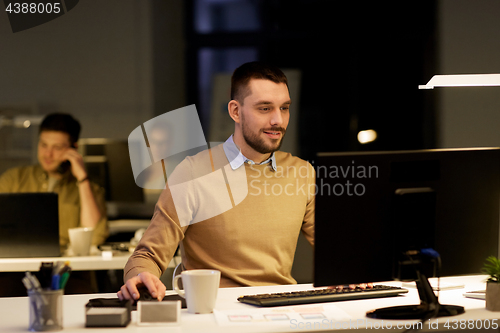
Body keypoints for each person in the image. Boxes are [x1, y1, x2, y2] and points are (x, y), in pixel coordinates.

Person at [118, 62, 315, 302]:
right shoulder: (193, 172)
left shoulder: (301, 172)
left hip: (280, 309)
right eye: (265, 108)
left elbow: (340, 248)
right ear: (235, 111)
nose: (278, 120)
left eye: (284, 108)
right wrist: (141, 276)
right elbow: (147, 255)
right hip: (213, 311)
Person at [0, 113, 108, 296]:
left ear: (73, 149)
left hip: (68, 274)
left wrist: (82, 177)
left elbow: (95, 235)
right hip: (15, 271)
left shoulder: (89, 189)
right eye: (43, 145)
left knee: (81, 295)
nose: (47, 154)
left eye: (57, 147)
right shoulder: (14, 179)